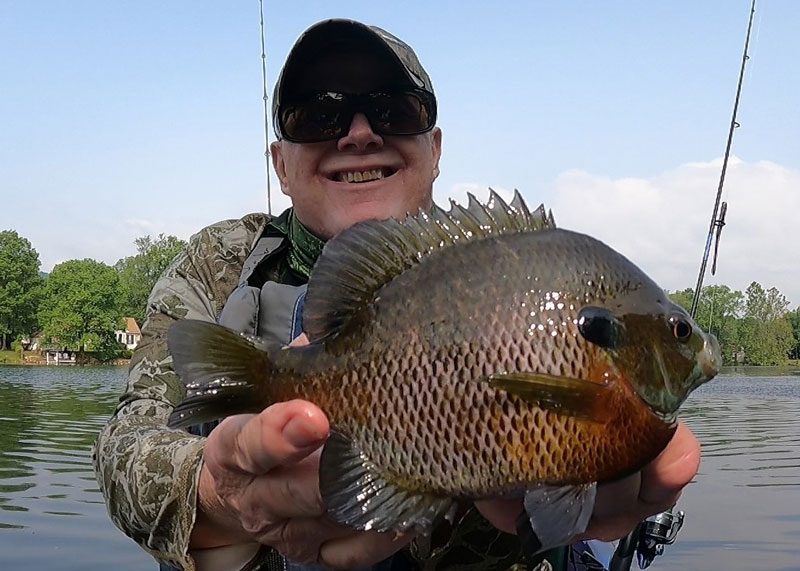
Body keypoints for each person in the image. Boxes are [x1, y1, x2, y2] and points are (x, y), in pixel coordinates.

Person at [93, 18, 701, 571]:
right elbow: (124, 447)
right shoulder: (220, 263)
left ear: (435, 150)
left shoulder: (516, 266)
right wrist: (217, 494)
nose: (359, 134)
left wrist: (595, 471)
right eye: (318, 115)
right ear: (280, 164)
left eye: (393, 110)